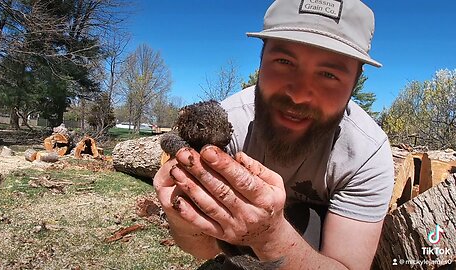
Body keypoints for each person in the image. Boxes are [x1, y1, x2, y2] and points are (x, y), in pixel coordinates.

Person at [154, 0, 394, 269]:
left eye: (328, 74)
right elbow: (206, 249)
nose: (299, 94)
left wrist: (271, 237)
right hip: (240, 255)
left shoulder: (366, 154)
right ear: (261, 58)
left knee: (309, 222)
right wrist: (184, 222)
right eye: (284, 61)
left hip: (313, 254)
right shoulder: (225, 126)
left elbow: (347, 266)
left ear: (356, 81)